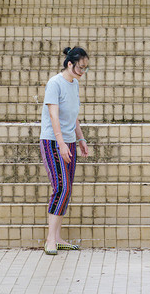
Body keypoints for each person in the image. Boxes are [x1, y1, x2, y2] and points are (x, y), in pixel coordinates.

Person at [39, 46, 91, 255]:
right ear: (70, 64)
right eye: (80, 67)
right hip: (53, 140)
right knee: (61, 188)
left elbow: (73, 114)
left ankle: (57, 237)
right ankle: (50, 240)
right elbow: (54, 114)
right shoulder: (55, 83)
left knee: (67, 190)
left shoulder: (74, 84)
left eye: (86, 68)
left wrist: (81, 138)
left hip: (68, 141)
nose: (82, 72)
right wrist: (60, 143)